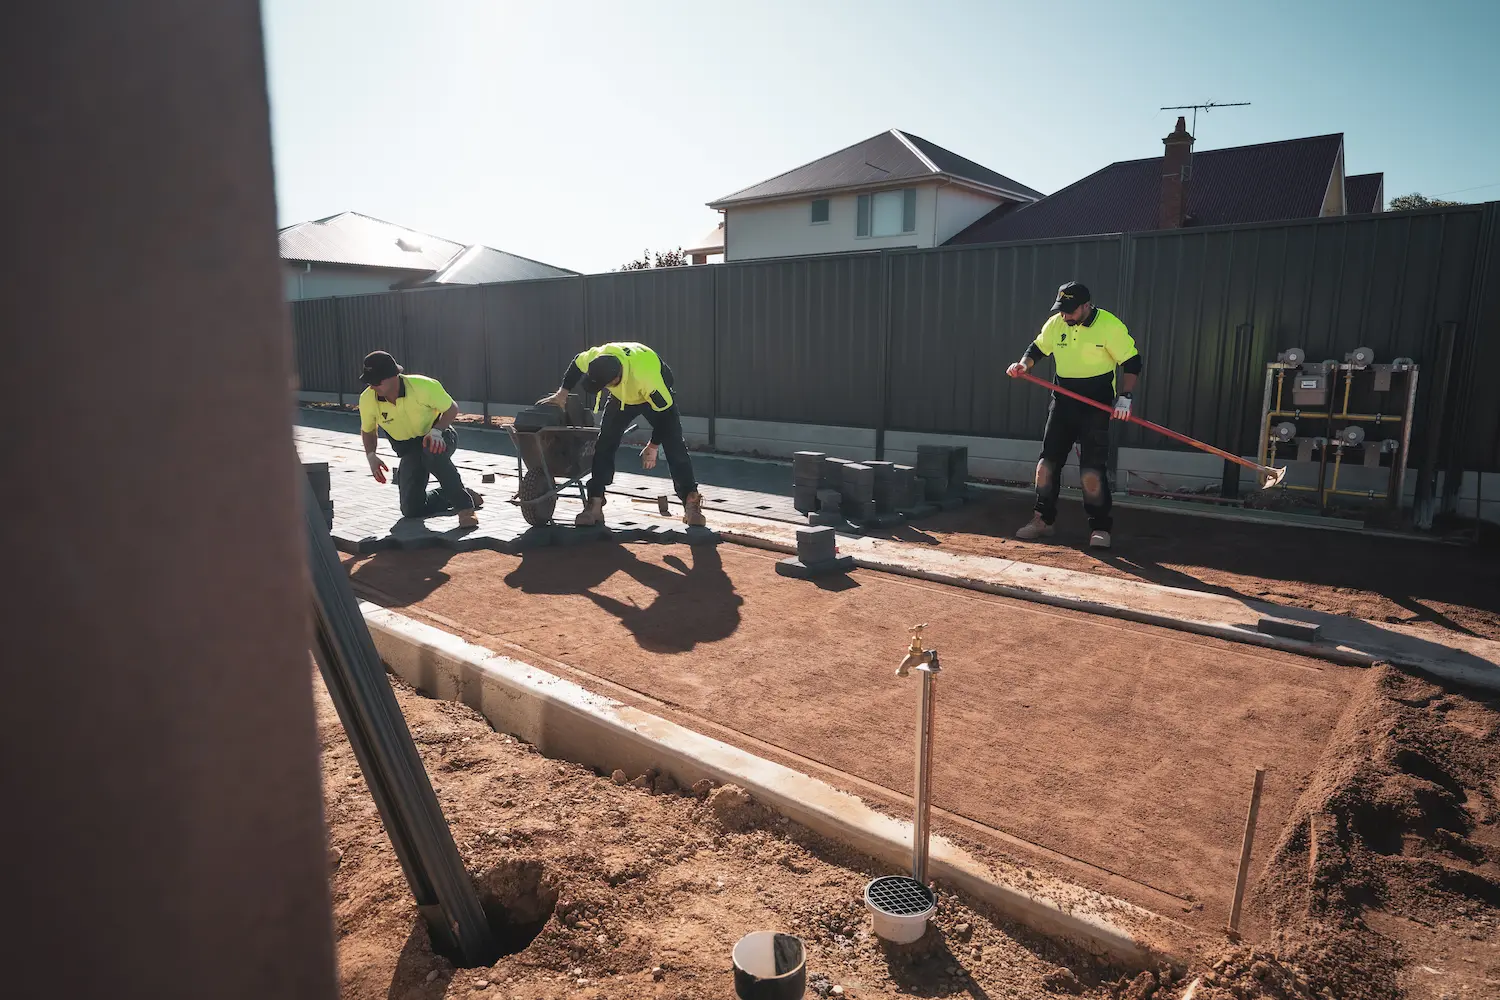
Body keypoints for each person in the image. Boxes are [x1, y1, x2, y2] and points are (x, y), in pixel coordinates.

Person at [1006, 281, 1141, 549]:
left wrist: (1125, 398)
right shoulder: (1056, 323)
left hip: (1096, 402)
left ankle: (1100, 527)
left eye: (1070, 310)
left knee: (1091, 471)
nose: (1065, 315)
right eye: (1062, 309)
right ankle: (1042, 520)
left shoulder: (1110, 326)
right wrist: (1023, 365)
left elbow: (1132, 361)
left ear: (1086, 306)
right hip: (1063, 399)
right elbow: (1037, 349)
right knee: (1046, 466)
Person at [537, 342, 707, 528]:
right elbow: (578, 362)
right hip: (622, 398)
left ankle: (691, 502)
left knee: (674, 445)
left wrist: (653, 446)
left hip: (651, 393)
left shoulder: (648, 381)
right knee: (604, 444)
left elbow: (666, 418)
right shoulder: (598, 357)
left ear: (616, 377)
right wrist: (562, 394)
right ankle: (594, 502)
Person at [357, 350, 481, 527]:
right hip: (409, 449)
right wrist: (371, 455)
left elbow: (451, 408)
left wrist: (437, 431)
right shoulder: (367, 399)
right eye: (369, 381)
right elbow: (368, 430)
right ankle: (456, 493)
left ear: (394, 376)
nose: (372, 386)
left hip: (439, 435)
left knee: (432, 452)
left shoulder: (423, 386)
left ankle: (465, 509)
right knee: (411, 509)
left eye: (377, 381)